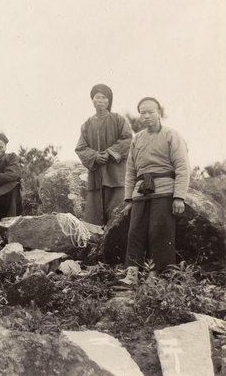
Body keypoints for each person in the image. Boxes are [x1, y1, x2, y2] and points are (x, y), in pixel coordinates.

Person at [120, 97, 190, 285]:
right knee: (135, 232)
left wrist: (179, 197)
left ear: (159, 112)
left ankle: (155, 276)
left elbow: (182, 167)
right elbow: (131, 171)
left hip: (165, 191)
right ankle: (132, 275)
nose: (147, 116)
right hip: (140, 193)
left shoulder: (171, 135)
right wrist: (128, 200)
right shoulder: (138, 139)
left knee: (159, 232)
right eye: (143, 112)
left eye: (151, 111)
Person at [76, 84, 132, 226]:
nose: (100, 100)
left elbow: (128, 139)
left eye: (103, 97)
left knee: (118, 216)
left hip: (116, 176)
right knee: (94, 220)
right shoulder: (86, 125)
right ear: (92, 101)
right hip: (96, 178)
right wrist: (95, 156)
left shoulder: (118, 119)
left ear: (108, 101)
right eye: (97, 97)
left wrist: (110, 152)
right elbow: (81, 148)